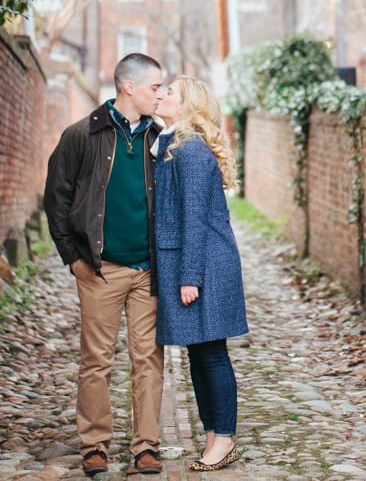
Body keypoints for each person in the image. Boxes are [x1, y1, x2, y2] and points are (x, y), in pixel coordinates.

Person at [44, 53, 166, 476]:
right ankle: (94, 444)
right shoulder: (82, 135)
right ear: (128, 86)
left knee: (149, 359)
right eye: (155, 87)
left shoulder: (159, 137)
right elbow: (56, 199)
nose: (161, 94)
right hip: (100, 269)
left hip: (148, 270)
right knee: (96, 359)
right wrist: (72, 258)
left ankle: (146, 445)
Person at [152, 75, 249, 472]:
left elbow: (193, 218)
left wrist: (190, 276)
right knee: (198, 352)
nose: (161, 94)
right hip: (196, 260)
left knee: (211, 354)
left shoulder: (190, 150)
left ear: (188, 104)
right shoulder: (174, 143)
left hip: (205, 262)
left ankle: (224, 438)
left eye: (170, 92)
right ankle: (213, 434)